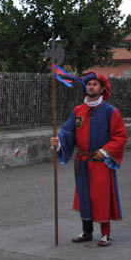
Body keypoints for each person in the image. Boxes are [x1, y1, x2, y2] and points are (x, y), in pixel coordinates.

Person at [50, 72, 127, 247]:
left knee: (102, 197)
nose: (91, 87)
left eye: (94, 84)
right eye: (89, 84)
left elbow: (120, 137)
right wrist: (59, 141)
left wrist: (106, 151)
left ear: (102, 89)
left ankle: (105, 234)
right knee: (84, 196)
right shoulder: (78, 111)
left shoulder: (110, 112)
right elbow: (69, 132)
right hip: (82, 161)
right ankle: (87, 231)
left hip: (100, 161)